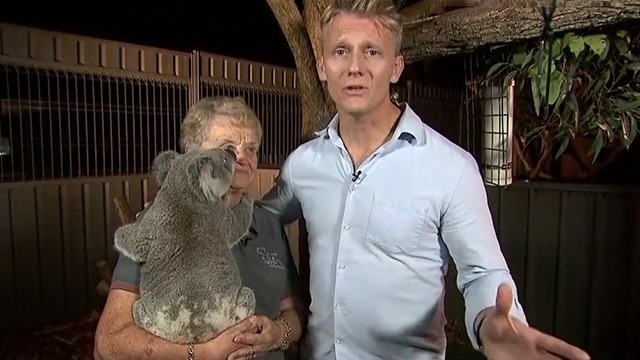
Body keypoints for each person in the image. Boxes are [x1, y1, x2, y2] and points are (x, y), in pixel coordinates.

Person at [258, 1, 592, 359]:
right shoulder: (304, 165)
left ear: (396, 67)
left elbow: (483, 273)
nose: (355, 67)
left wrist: (492, 324)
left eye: (371, 51)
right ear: (323, 67)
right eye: (341, 51)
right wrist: (282, 296)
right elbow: (260, 221)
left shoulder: (451, 169)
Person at [94, 96, 305, 360]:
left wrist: (278, 332)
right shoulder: (159, 221)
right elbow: (108, 341)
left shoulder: (268, 222)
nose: (242, 158)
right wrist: (200, 353)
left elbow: (294, 312)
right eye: (227, 148)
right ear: (195, 156)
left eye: (251, 148)